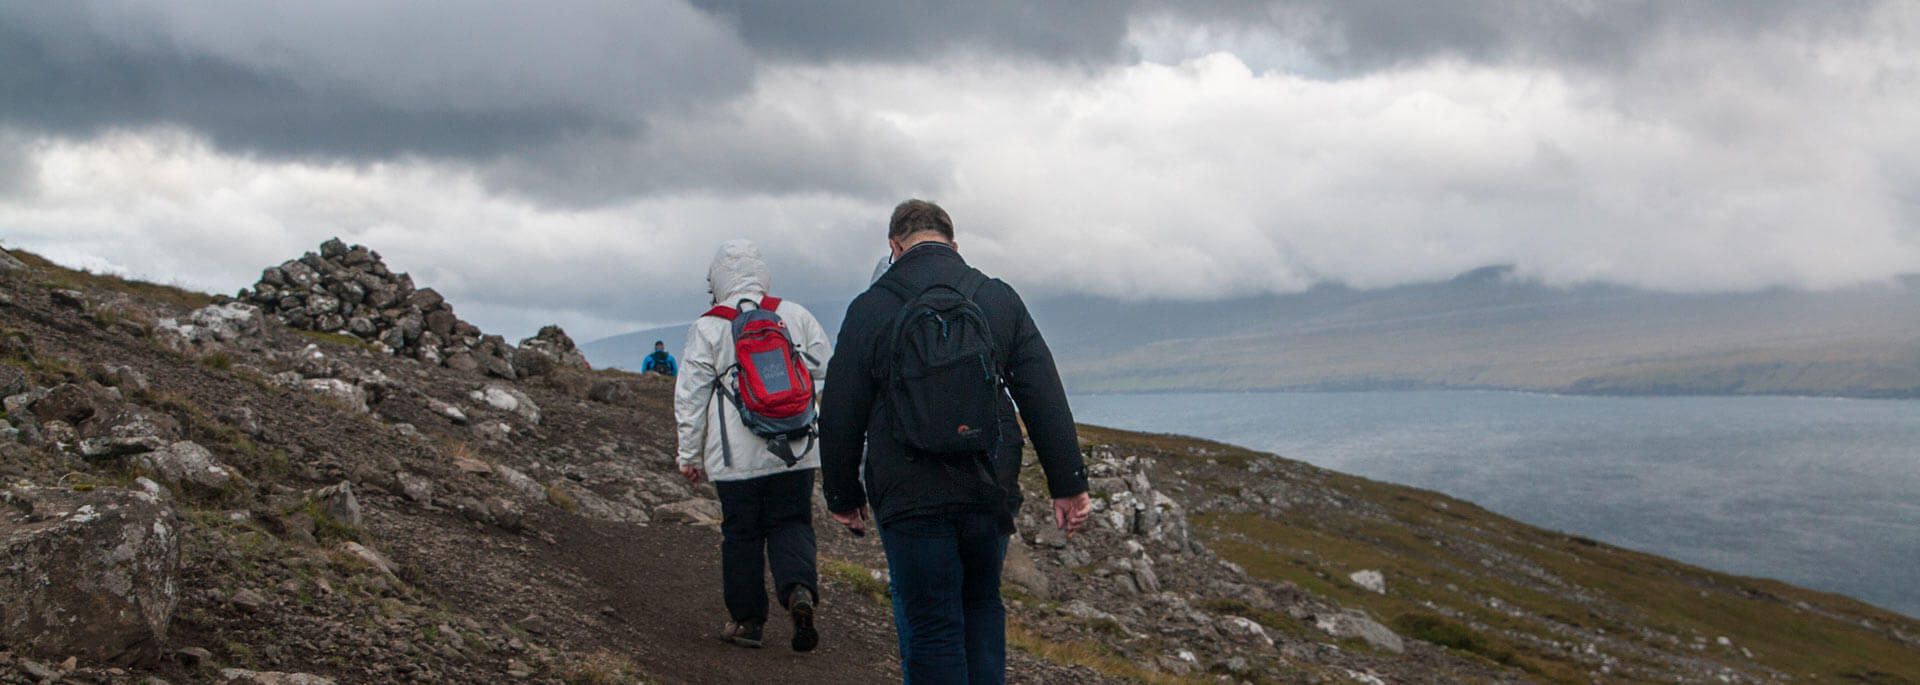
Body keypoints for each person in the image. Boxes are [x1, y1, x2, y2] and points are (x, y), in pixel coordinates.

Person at [821, 200, 1091, 684]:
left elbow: (841, 406)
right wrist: (1068, 484)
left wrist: (843, 495)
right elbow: (1043, 393)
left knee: (931, 622)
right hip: (988, 485)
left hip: (908, 491)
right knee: (982, 603)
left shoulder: (870, 308)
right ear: (954, 244)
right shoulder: (997, 298)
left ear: (894, 246)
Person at [675, 240, 834, 652]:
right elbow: (825, 368)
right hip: (796, 450)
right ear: (761, 273)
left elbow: (690, 397)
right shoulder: (794, 315)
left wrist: (690, 456)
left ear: (718, 279)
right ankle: (798, 590)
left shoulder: (709, 326)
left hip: (736, 460)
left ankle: (747, 623)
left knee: (742, 534)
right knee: (793, 522)